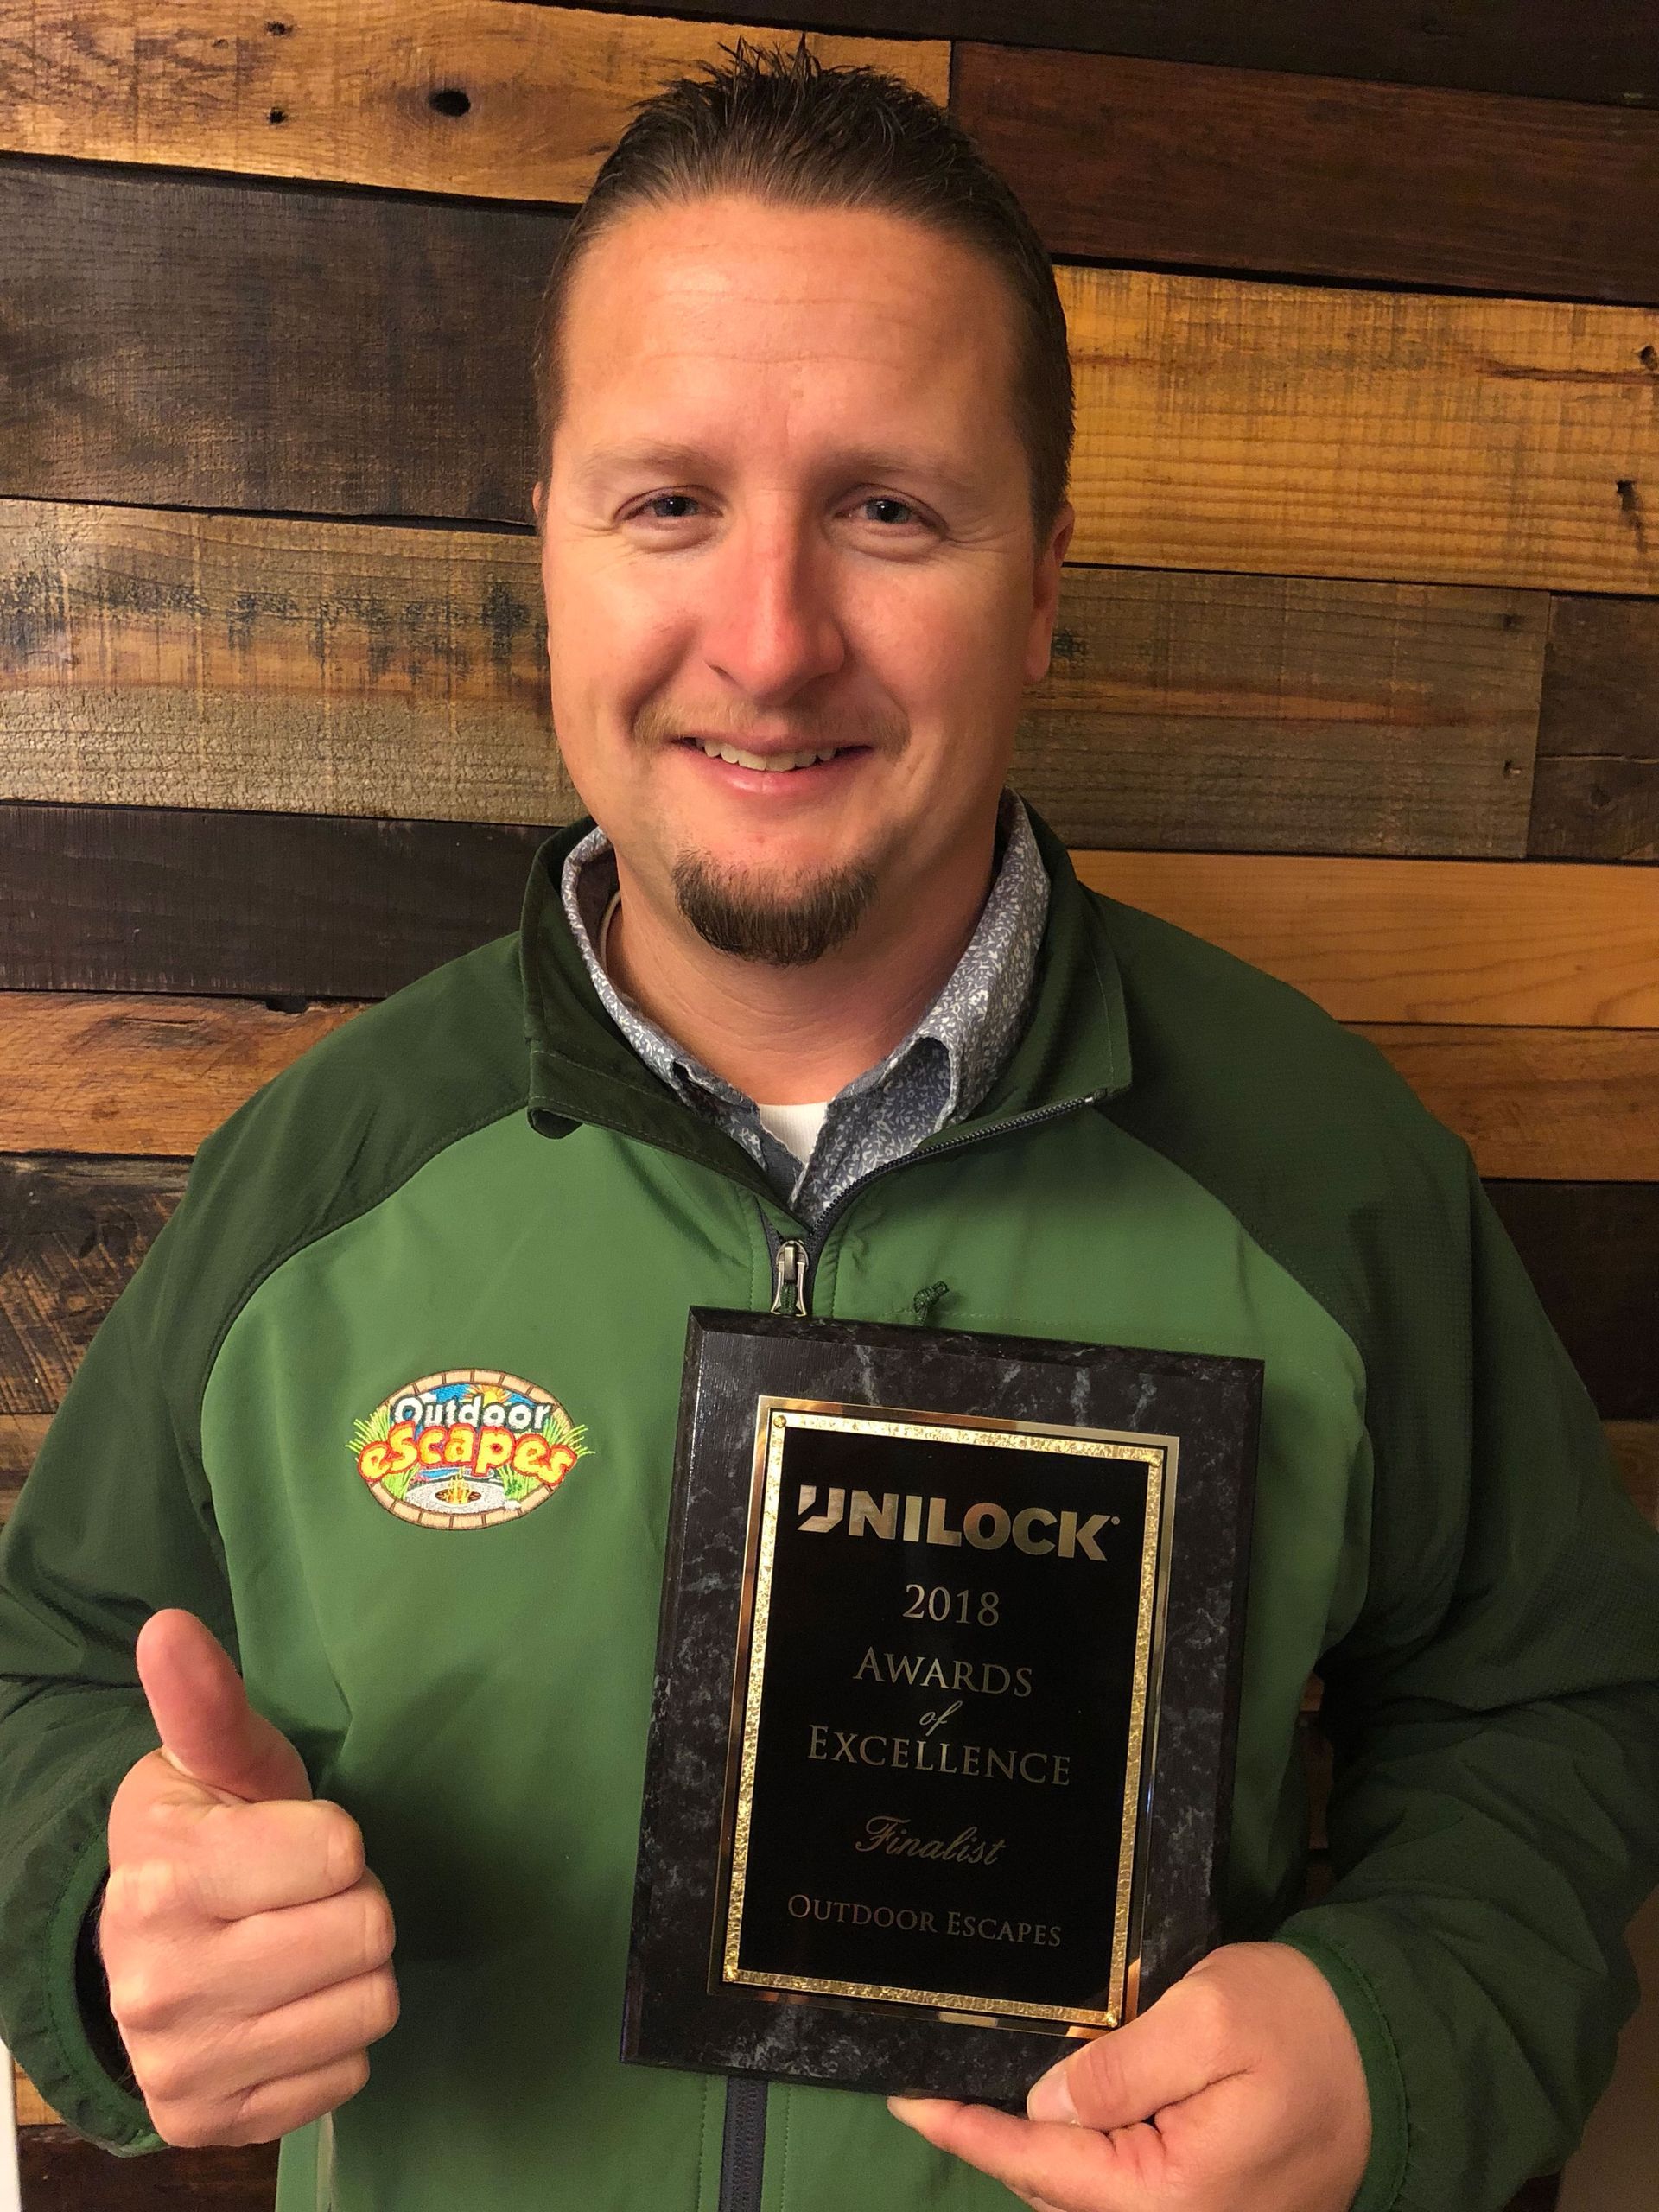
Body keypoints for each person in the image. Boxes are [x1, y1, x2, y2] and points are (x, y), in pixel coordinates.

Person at [2, 39, 1656, 2212]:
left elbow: (1552, 1707)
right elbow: (44, 1672)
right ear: (551, 551)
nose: (770, 644)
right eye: (668, 501)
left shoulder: (1325, 1172)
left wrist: (1397, 2029)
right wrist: (99, 1926)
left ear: (1043, 582)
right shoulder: (323, 1174)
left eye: (890, 509)